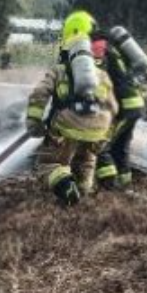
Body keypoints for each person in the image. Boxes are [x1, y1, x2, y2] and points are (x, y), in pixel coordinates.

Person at [26, 37, 118, 205]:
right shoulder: (102, 75)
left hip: (67, 127)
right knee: (86, 161)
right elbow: (113, 108)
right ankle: (82, 193)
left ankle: (67, 188)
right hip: (98, 130)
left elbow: (40, 93)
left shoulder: (59, 70)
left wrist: (34, 121)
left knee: (49, 164)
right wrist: (106, 135)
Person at [92, 29, 146, 190]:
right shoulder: (115, 50)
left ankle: (110, 188)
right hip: (135, 105)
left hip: (125, 108)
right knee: (120, 148)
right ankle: (125, 185)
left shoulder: (99, 49)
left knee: (100, 145)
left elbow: (99, 79)